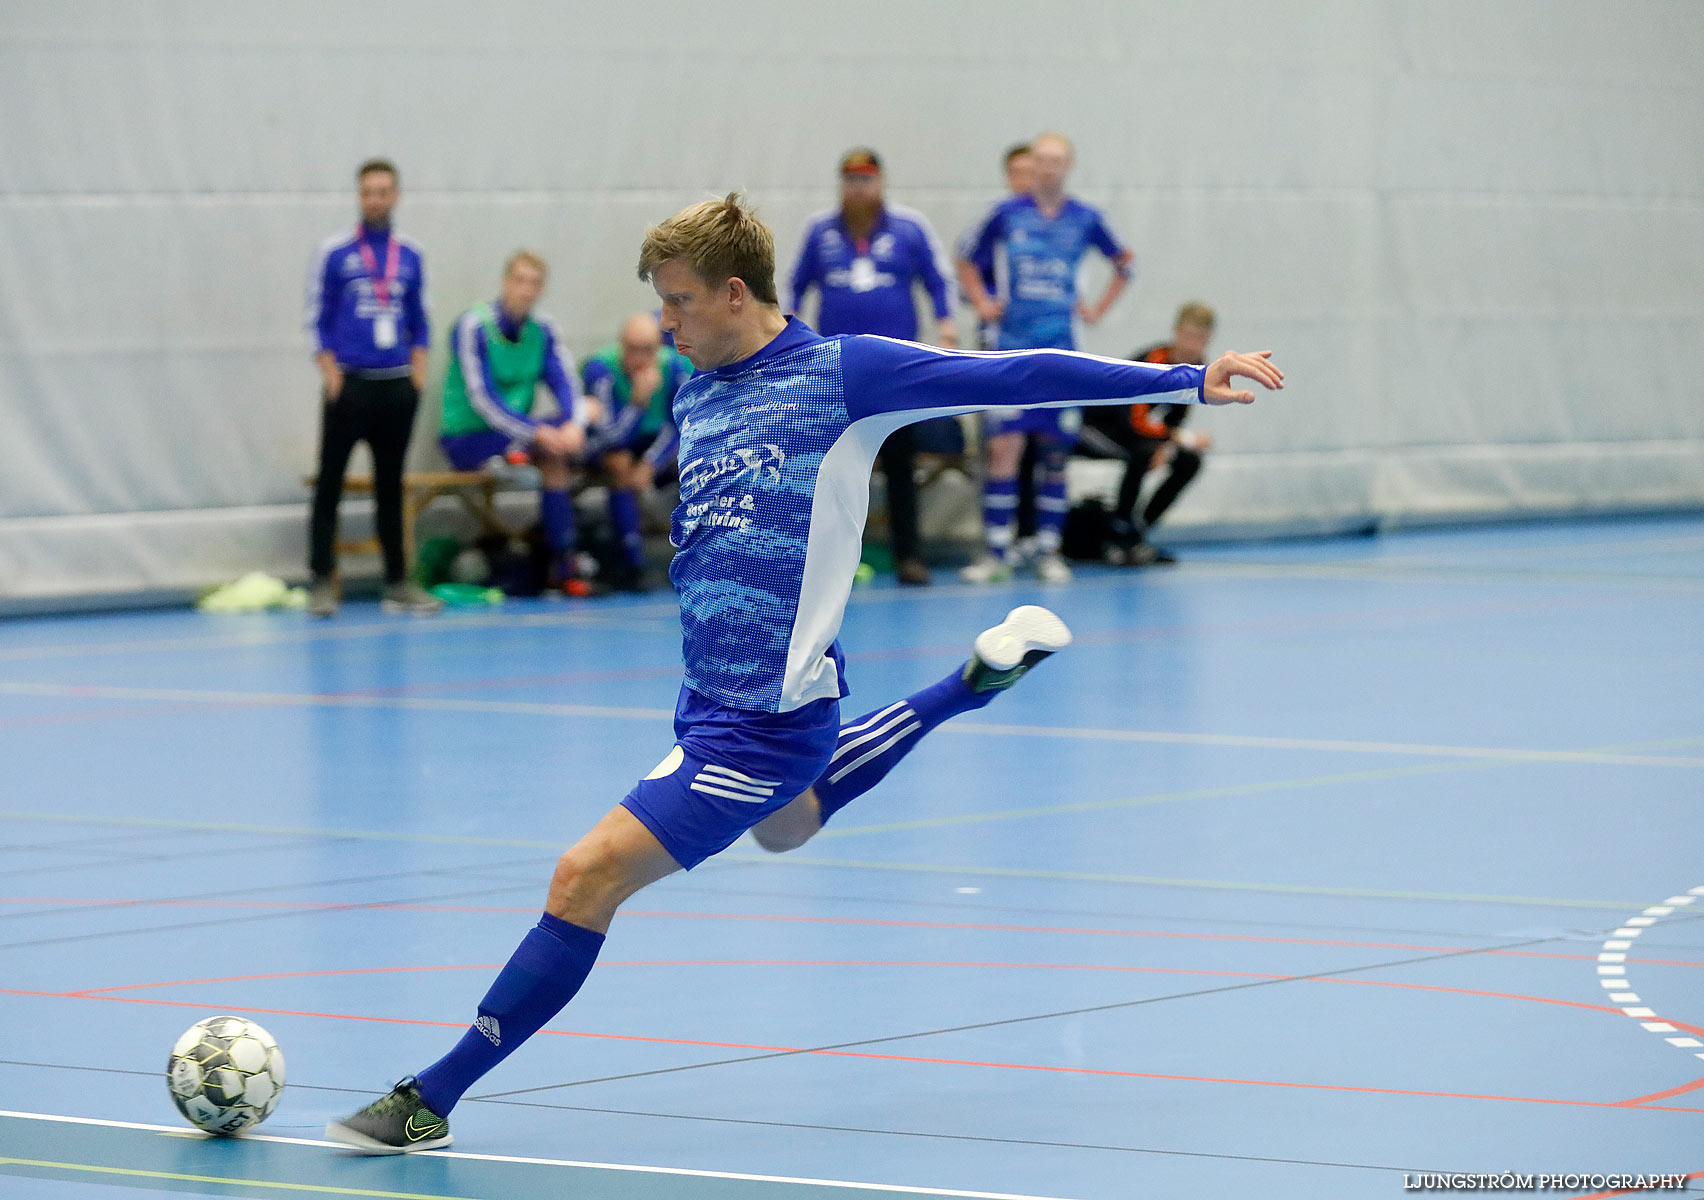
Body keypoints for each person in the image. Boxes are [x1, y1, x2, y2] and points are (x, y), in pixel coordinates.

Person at [326, 193, 1280, 1152]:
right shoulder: (693, 386)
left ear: (736, 294)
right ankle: (968, 685)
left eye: (681, 302)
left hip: (764, 725)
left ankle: (429, 1098)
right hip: (710, 708)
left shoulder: (844, 375)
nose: (668, 324)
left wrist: (1189, 377)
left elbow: (1012, 372)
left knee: (584, 877)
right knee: (783, 830)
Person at [956, 132, 1136, 584]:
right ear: (1030, 166)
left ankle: (1048, 551)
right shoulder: (1006, 214)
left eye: (1056, 161)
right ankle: (996, 552)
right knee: (1004, 449)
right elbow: (964, 258)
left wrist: (1096, 308)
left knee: (1055, 452)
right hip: (1011, 349)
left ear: (1068, 166)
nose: (1047, 168)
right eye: (1040, 160)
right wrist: (982, 301)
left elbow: (1124, 263)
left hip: (1062, 350)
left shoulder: (1085, 217)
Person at [788, 148, 959, 587]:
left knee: (901, 461)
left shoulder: (909, 228)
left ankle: (910, 557)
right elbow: (795, 285)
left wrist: (947, 329)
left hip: (894, 367)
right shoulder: (821, 230)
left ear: (880, 182)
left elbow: (938, 281)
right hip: (835, 365)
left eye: (866, 180)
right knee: (835, 464)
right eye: (850, 180)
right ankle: (832, 560)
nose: (858, 189)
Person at [304, 158, 443, 617]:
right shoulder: (336, 252)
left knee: (390, 485)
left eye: (384, 191)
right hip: (350, 385)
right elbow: (318, 318)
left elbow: (420, 319)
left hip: (396, 385)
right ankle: (322, 581)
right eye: (369, 192)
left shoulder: (411, 254)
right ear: (359, 197)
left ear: (396, 195)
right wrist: (331, 374)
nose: (377, 199)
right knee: (330, 483)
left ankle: (397, 583)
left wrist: (417, 372)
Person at [440, 251, 591, 596]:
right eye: (520, 281)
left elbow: (565, 383)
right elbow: (483, 399)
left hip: (518, 436)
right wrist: (536, 431)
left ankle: (563, 562)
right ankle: (550, 557)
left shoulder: (543, 331)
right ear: (505, 283)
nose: (526, 290)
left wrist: (574, 424)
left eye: (535, 284)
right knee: (547, 447)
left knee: (562, 450)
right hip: (469, 436)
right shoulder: (473, 327)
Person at [1077, 303, 1218, 565]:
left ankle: (1137, 533)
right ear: (1176, 333)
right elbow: (1134, 420)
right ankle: (1117, 536)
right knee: (1142, 453)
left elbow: (1174, 418)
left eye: (1199, 339)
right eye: (1187, 336)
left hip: (1129, 432)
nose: (1191, 344)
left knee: (1189, 461)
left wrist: (1167, 446)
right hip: (1093, 427)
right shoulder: (1154, 361)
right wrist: (1179, 439)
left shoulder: (1196, 369)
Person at [579, 313, 690, 590]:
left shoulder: (674, 368)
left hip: (656, 444)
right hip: (611, 446)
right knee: (620, 464)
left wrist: (651, 463)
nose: (640, 358)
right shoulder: (601, 370)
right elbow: (609, 436)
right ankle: (632, 563)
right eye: (632, 349)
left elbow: (680, 427)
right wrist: (638, 402)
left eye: (647, 350)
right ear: (621, 345)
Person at [958, 142, 1035, 352]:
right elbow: (964, 258)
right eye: (1016, 173)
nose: (1024, 180)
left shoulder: (1057, 219)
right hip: (1001, 330)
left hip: (1044, 328)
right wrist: (982, 303)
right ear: (1008, 177)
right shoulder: (997, 216)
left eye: (1030, 172)